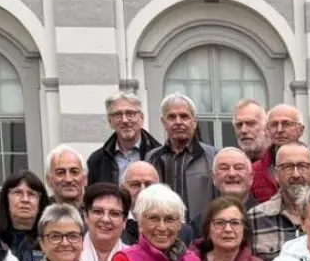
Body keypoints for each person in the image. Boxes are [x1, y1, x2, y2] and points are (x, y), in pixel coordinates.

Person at [147, 93, 219, 221]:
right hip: (161, 231)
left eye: (184, 116)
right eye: (172, 117)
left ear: (195, 122)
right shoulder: (152, 158)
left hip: (201, 234)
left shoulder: (213, 157)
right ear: (163, 122)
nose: (178, 122)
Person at [88, 91, 162, 186]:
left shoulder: (159, 156)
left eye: (130, 113)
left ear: (141, 118)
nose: (125, 120)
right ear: (110, 121)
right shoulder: (97, 161)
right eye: (118, 115)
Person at [250, 104, 308, 203]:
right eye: (274, 124)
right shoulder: (253, 171)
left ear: (301, 130)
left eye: (286, 124)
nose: (279, 130)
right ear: (267, 131)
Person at [194, 147, 255, 238]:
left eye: (238, 168)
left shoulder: (266, 216)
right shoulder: (201, 221)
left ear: (251, 177)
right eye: (224, 168)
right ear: (214, 178)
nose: (231, 174)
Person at [0, 170, 48, 261]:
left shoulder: (51, 239)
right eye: (17, 192)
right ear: (6, 198)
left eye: (32, 194)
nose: (25, 199)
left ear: (41, 201)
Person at [81, 182, 132, 261]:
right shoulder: (70, 256)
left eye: (114, 213)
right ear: (86, 216)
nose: (105, 219)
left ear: (124, 221)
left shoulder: (135, 260)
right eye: (98, 211)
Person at [119, 161, 162, 246]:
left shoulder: (179, 229)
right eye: (135, 185)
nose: (142, 191)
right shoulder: (111, 224)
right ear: (123, 188)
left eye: (149, 185)